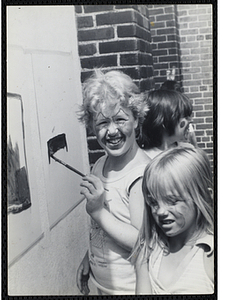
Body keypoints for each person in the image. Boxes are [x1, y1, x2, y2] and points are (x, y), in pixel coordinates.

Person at [76, 69, 151, 295]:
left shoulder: (140, 174)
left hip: (131, 288)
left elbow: (142, 241)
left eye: (120, 119)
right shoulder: (100, 164)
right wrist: (90, 258)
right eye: (102, 123)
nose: (111, 131)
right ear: (91, 126)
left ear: (136, 119)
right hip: (105, 285)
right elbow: (105, 229)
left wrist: (97, 211)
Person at [132, 145, 214, 294]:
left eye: (172, 201)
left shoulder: (210, 254)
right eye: (154, 203)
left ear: (204, 197)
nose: (161, 211)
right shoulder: (149, 251)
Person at [138, 89, 197, 159]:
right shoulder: (145, 159)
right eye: (186, 117)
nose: (191, 120)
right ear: (166, 122)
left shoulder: (188, 150)